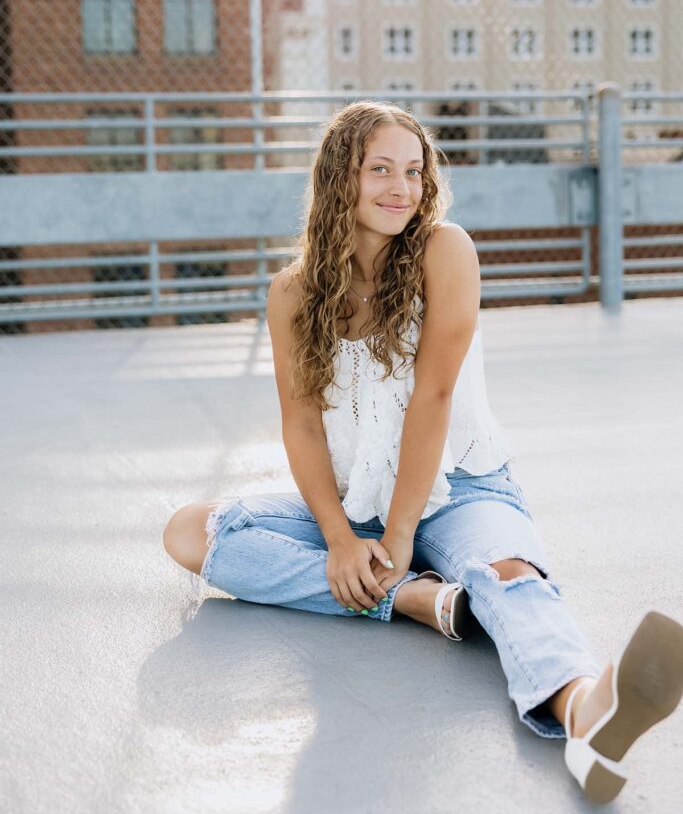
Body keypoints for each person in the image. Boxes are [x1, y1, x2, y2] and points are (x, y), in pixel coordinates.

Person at [163, 101, 683, 804]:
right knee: (192, 531)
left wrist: (402, 531)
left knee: (507, 572)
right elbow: (302, 427)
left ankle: (583, 710)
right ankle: (415, 600)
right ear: (337, 178)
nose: (400, 188)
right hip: (359, 505)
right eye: (379, 169)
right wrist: (342, 536)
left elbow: (432, 397)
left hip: (461, 485)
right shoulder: (292, 292)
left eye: (412, 171)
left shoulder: (446, 250)